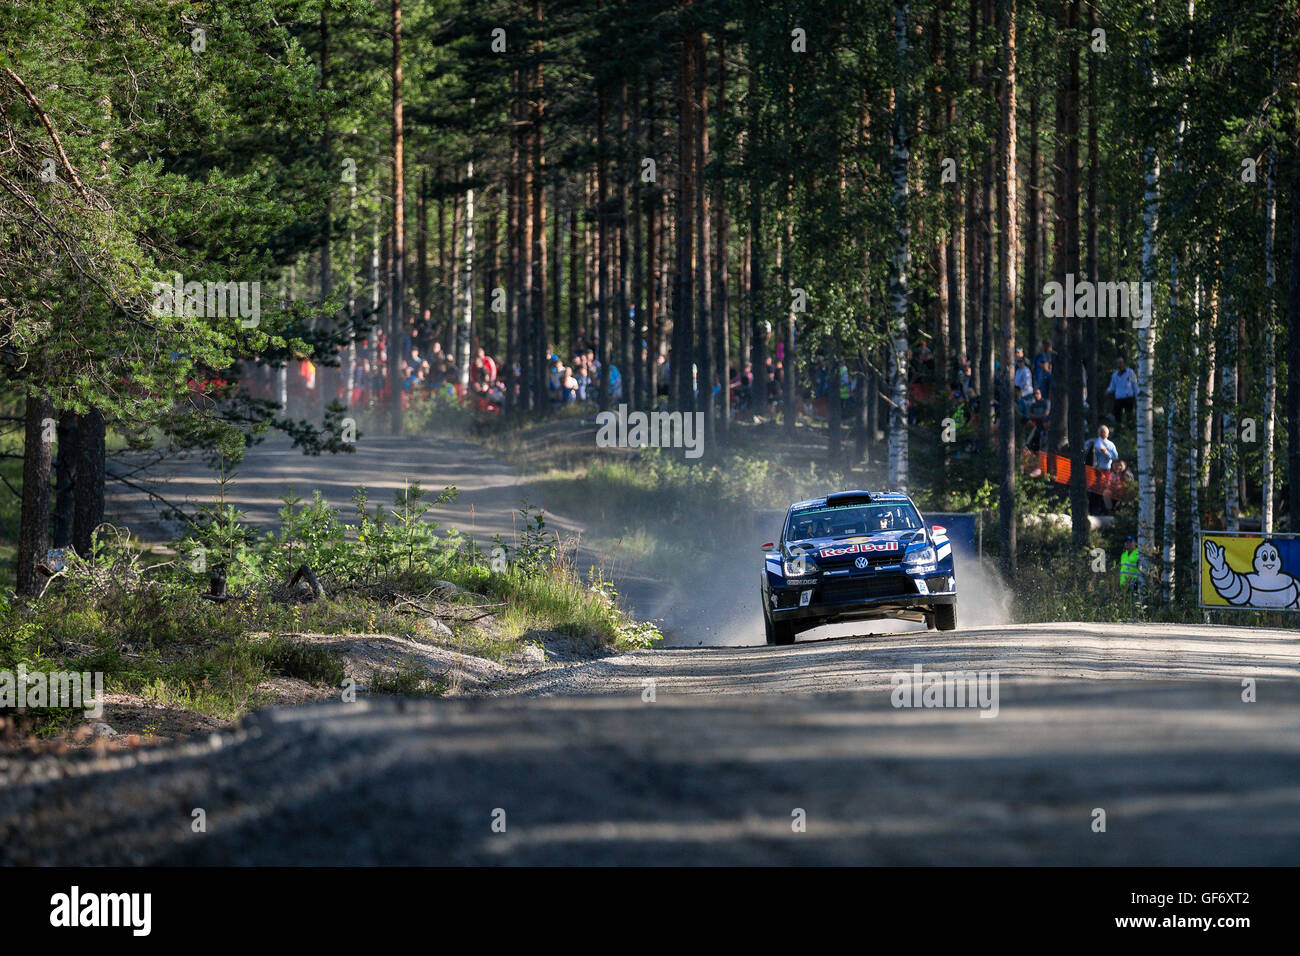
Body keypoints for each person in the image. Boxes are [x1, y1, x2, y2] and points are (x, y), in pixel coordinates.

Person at [1106, 356, 1138, 426]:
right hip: (1119, 398)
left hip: (1128, 398)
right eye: (1118, 363)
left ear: (1124, 363)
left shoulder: (1130, 372)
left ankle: (1129, 430)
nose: (1120, 364)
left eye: (1121, 363)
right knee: (1117, 416)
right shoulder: (1114, 375)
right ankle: (1119, 430)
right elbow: (1112, 387)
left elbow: (1135, 385)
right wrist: (1107, 391)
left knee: (1129, 416)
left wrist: (1137, 397)